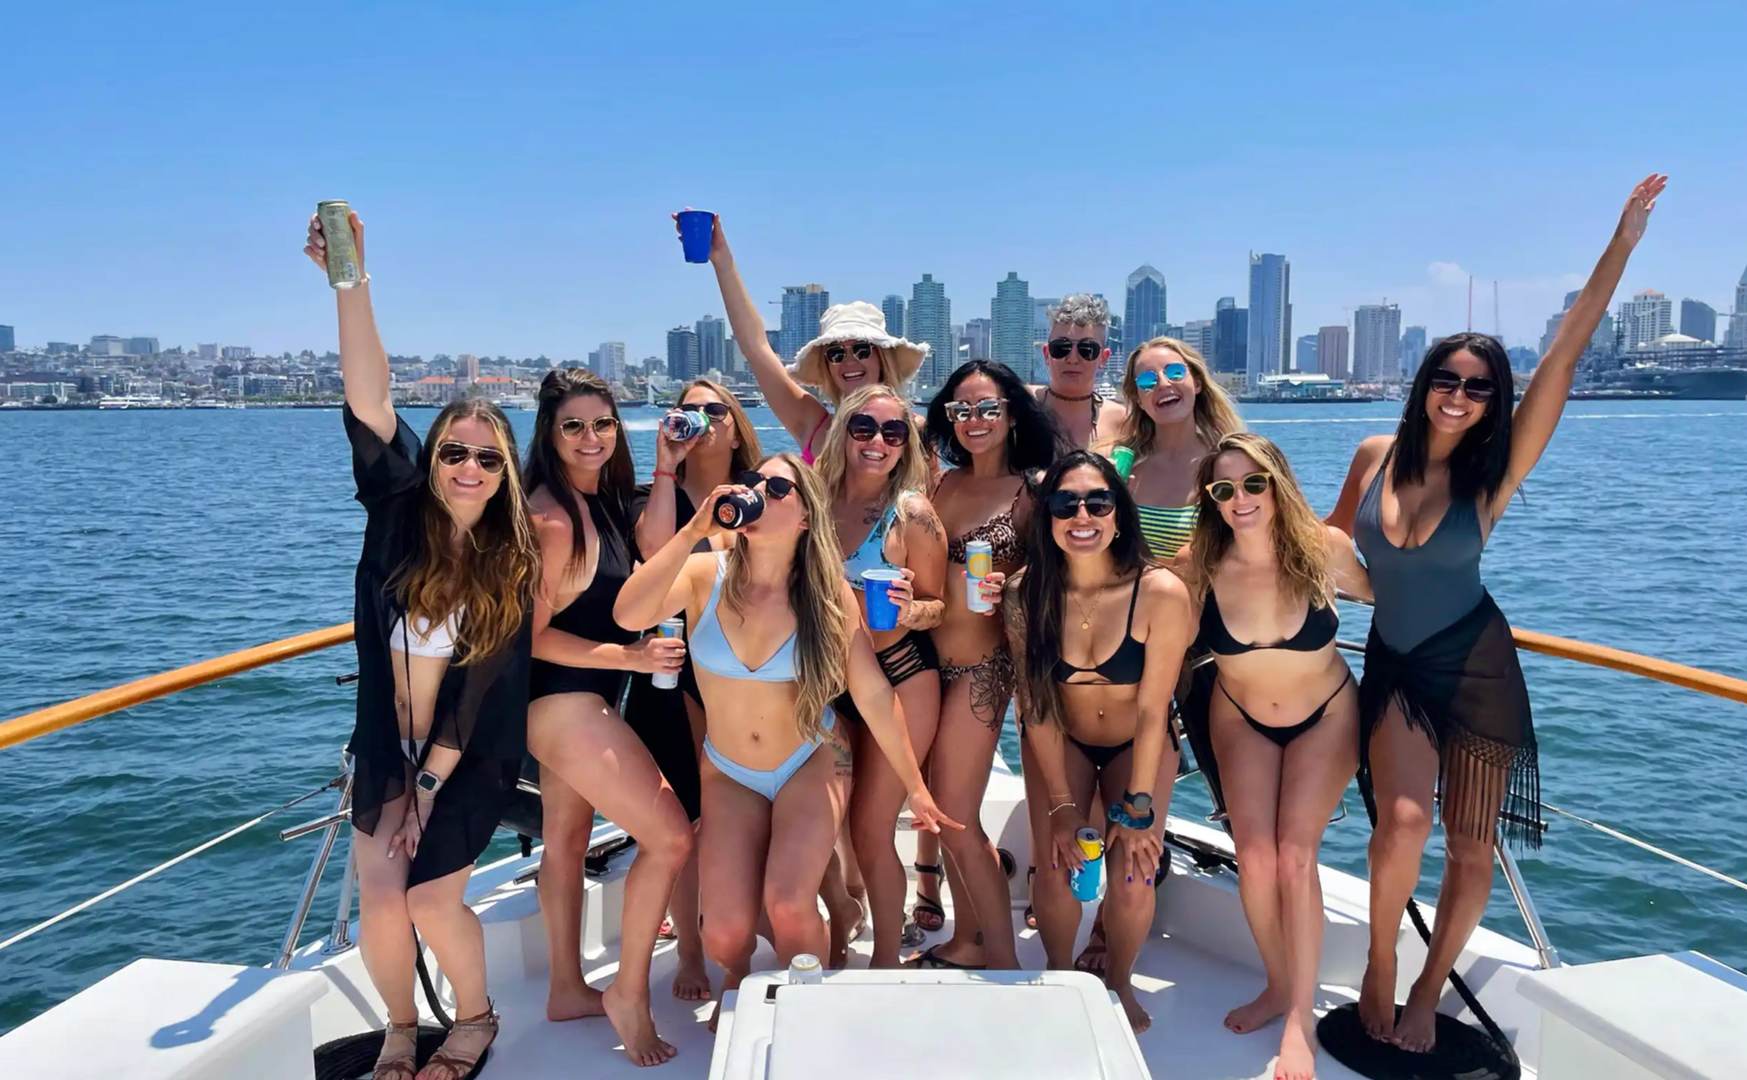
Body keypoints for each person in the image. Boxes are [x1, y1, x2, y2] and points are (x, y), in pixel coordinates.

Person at [1326, 174, 1667, 1053]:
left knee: (1470, 846)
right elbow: (1328, 554)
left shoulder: (1493, 472)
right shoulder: (1372, 455)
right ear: (1422, 384)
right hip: (1394, 663)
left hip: (1474, 667)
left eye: (1477, 388)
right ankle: (1377, 962)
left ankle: (1427, 990)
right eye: (1445, 379)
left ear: (1493, 401)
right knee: (1401, 824)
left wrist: (1621, 243)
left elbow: (1564, 353)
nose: (1458, 396)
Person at [307, 210, 536, 1080]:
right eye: (453, 453)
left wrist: (428, 791)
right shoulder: (397, 516)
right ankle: (402, 1032)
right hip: (384, 745)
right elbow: (368, 399)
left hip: (467, 756)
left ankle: (474, 1020)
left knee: (433, 900)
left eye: (487, 458)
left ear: (505, 473)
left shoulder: (509, 565)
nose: (468, 468)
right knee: (380, 903)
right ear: (432, 459)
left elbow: (474, 698)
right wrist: (351, 280)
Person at [614, 453, 959, 1029]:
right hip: (729, 771)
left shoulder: (826, 595)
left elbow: (874, 695)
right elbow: (630, 615)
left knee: (789, 904)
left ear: (804, 516)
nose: (758, 493)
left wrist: (915, 787)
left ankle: (805, 1008)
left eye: (777, 488)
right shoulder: (704, 574)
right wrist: (694, 530)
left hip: (808, 760)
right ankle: (739, 976)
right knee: (724, 930)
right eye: (752, 482)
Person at [979, 450, 1192, 1033]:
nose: (1082, 515)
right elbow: (1037, 706)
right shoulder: (1026, 594)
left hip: (1137, 744)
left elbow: (1153, 710)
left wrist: (1140, 806)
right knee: (1055, 862)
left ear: (1119, 514)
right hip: (1063, 737)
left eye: (1098, 502)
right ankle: (1058, 973)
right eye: (1065, 503)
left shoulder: (1160, 592)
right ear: (1047, 516)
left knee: (1133, 871)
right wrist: (1063, 808)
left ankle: (1119, 981)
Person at [521, 368, 695, 1067]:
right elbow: (530, 636)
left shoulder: (601, 502)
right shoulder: (552, 518)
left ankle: (567, 989)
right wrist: (630, 657)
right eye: (573, 426)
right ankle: (628, 994)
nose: (590, 437)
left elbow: (657, 549)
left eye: (602, 423)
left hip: (580, 700)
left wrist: (665, 466)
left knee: (566, 842)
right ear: (550, 433)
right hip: (562, 699)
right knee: (671, 837)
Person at [1187, 434, 1370, 1080]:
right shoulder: (1200, 563)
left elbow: (1397, 599)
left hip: (1326, 714)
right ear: (1210, 500)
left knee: (1295, 854)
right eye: (1223, 489)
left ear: (1277, 483)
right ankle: (1276, 982)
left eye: (1253, 483)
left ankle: (1300, 1016)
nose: (1239, 499)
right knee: (1256, 857)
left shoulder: (1325, 549)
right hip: (1239, 717)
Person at [906, 360, 1061, 970]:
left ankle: (1003, 963)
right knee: (940, 816)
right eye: (961, 409)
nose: (974, 420)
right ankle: (968, 940)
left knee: (954, 816)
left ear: (1012, 413)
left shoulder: (1032, 492)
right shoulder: (940, 485)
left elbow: (1060, 577)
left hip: (982, 671)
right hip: (923, 668)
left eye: (988, 407)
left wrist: (1014, 583)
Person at [627, 376, 765, 1001]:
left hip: (746, 673)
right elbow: (657, 552)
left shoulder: (763, 493)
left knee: (743, 815)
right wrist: (667, 464)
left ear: (737, 428)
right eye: (689, 411)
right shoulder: (655, 494)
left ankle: (741, 934)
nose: (703, 420)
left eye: (716, 411)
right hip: (672, 669)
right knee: (686, 818)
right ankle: (689, 948)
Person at [815, 384, 949, 967]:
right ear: (843, 431)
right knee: (821, 822)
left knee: (870, 830)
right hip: (827, 681)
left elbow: (940, 605)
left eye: (894, 432)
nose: (878, 442)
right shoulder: (812, 500)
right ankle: (842, 922)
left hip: (899, 676)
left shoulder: (912, 513)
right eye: (864, 427)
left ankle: (886, 960)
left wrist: (907, 610)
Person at [682, 211, 927, 463]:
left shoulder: (916, 430)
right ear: (827, 367)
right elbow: (756, 348)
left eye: (862, 349)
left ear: (882, 358)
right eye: (835, 353)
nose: (849, 360)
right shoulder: (815, 425)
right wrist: (722, 260)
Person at [1095, 335, 1243, 563]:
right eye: (1147, 380)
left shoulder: (1228, 464)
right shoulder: (1115, 460)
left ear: (1197, 383)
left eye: (1175, 372)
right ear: (1138, 400)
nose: (1163, 384)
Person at [1029, 295, 1129, 451]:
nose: (1072, 359)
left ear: (1103, 358)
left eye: (1087, 349)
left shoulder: (1122, 422)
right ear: (1047, 354)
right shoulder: (1020, 404)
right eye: (1061, 348)